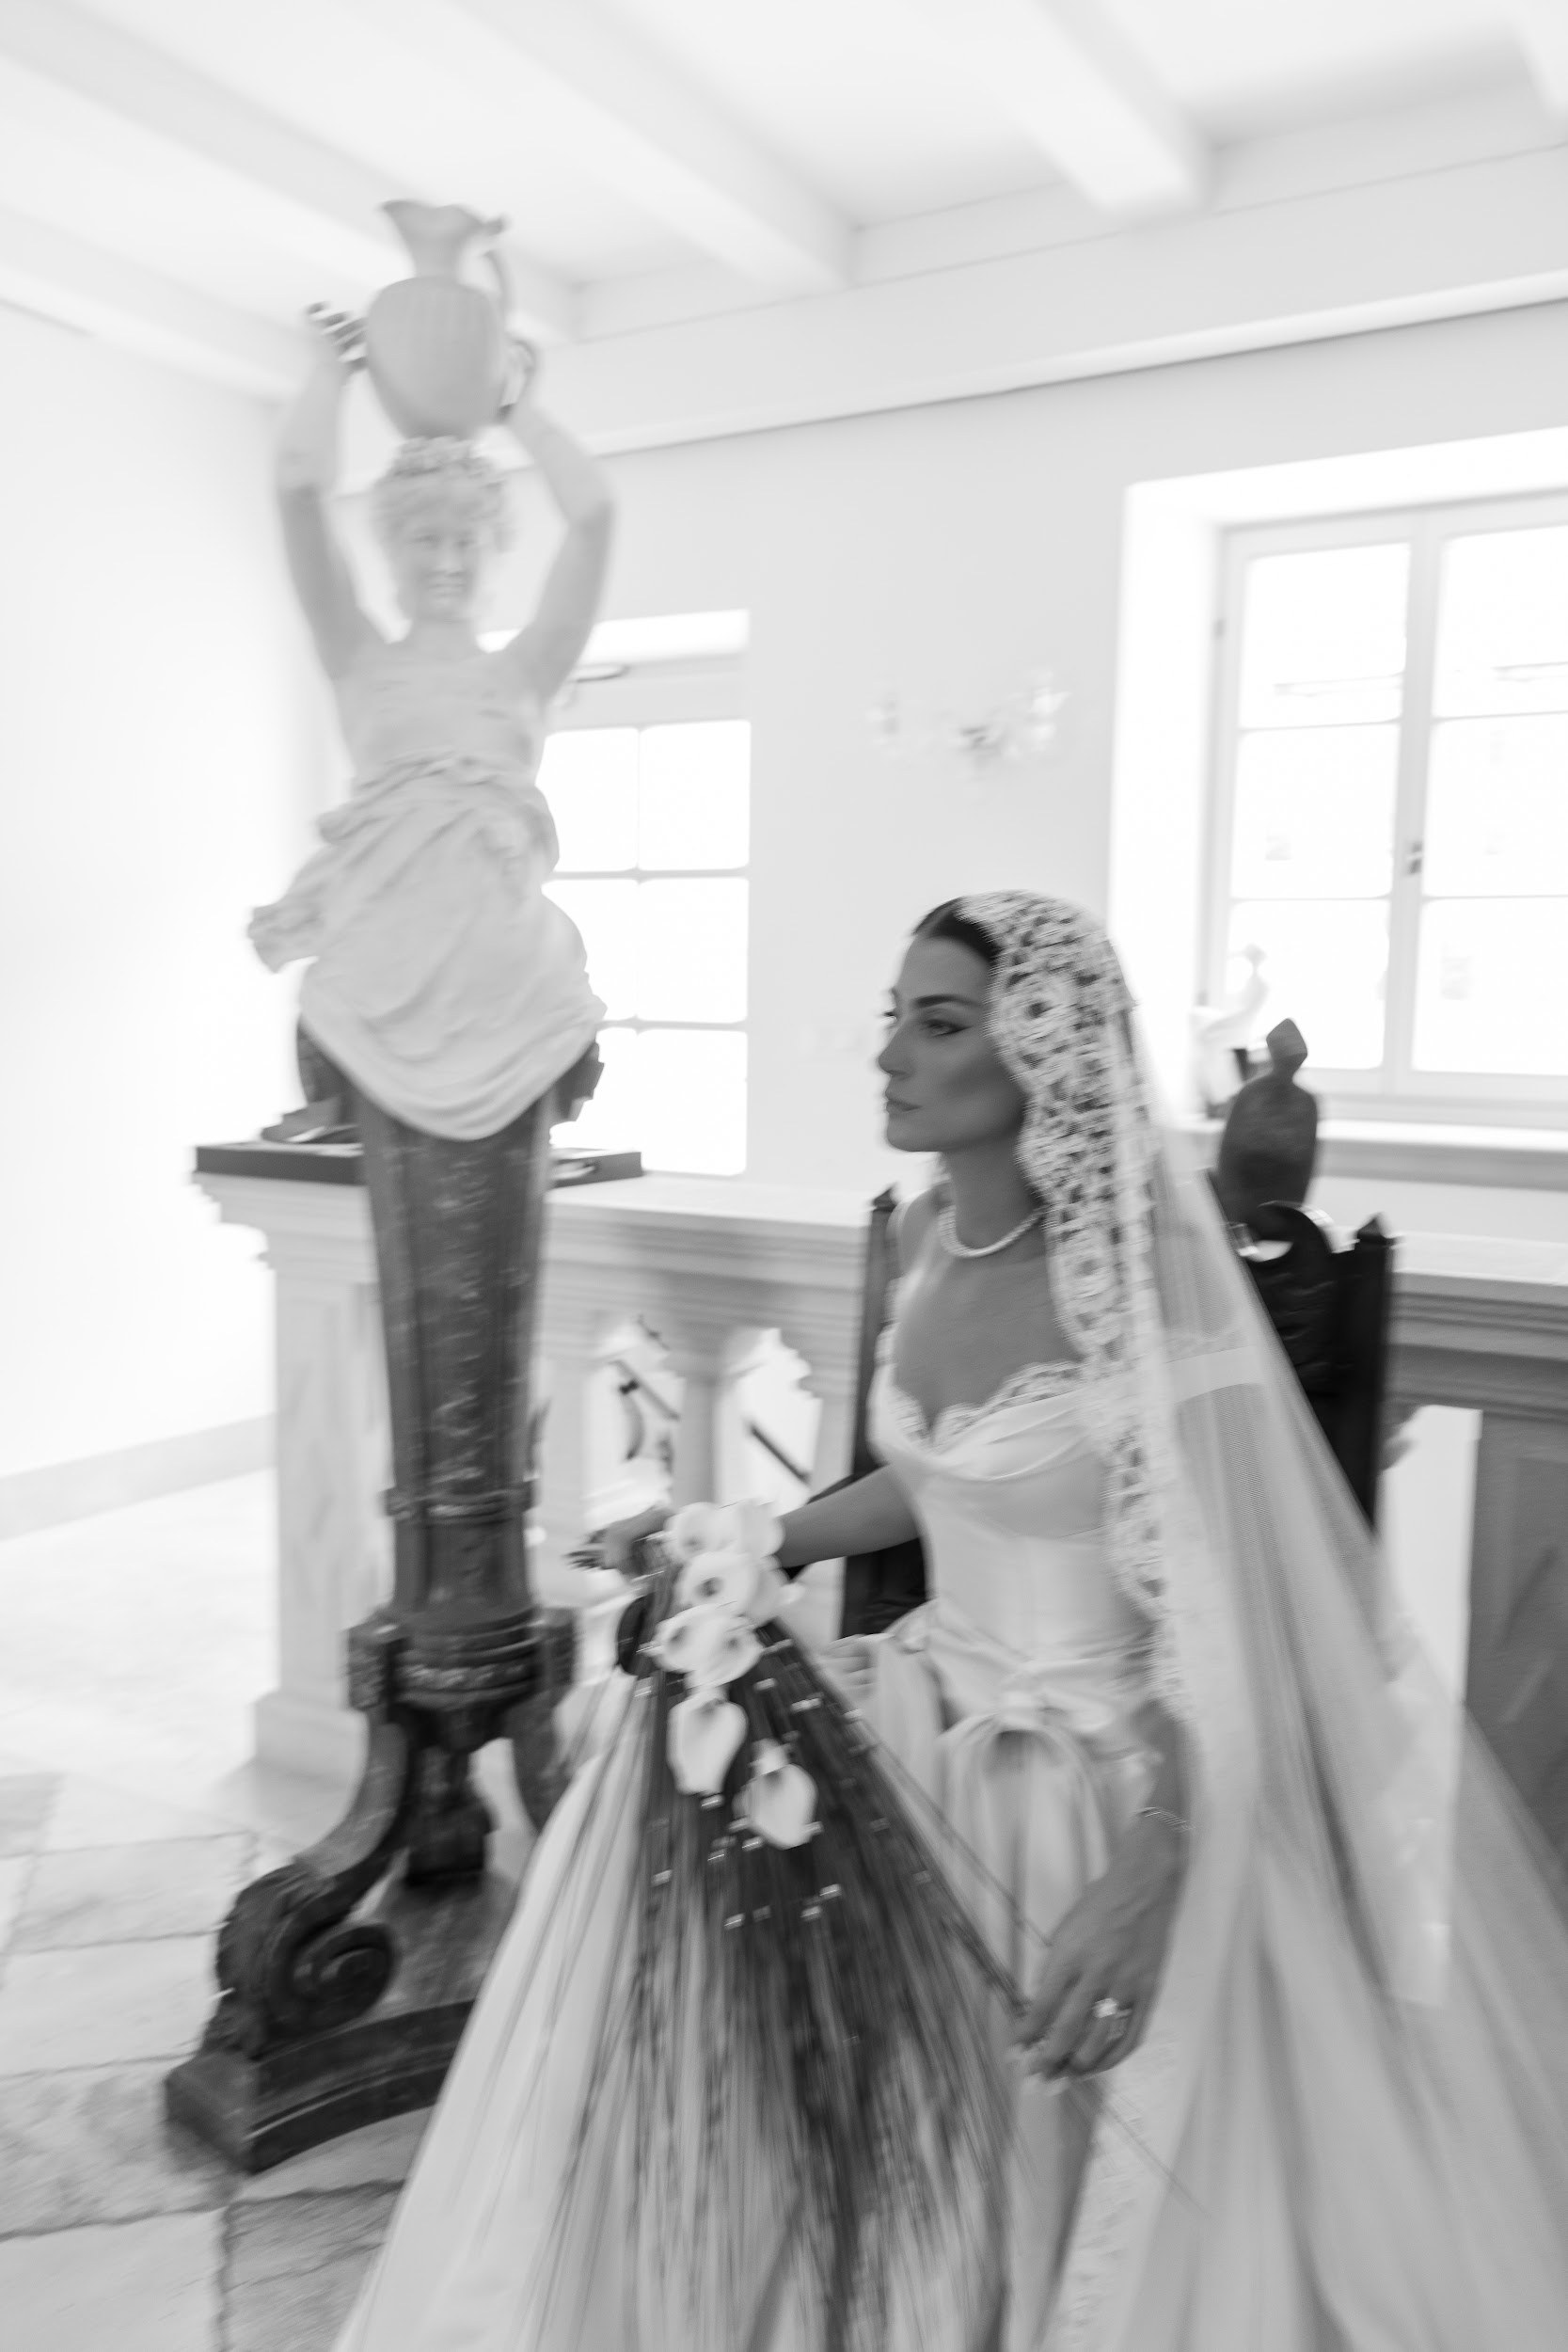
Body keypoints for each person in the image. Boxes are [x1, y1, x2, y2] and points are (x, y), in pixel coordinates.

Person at [334, 892, 1568, 2350]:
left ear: (1042, 1054)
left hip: (1103, 1775)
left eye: (936, 1024)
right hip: (920, 1701)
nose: (890, 1056)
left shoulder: (1143, 1297)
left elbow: (1230, 1616)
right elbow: (938, 1476)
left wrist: (1157, 1858)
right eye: (893, 1020)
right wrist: (748, 1535)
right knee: (646, 1834)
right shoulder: (930, 1241)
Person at [250, 307, 611, 1136]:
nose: (446, 560)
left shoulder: (526, 672)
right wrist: (326, 379)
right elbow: (297, 493)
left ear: (495, 548)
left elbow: (595, 518)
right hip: (375, 982)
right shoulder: (359, 659)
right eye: (424, 538)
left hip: (509, 988)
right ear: (391, 549)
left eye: (466, 540)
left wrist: (522, 414)